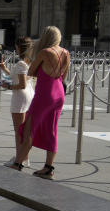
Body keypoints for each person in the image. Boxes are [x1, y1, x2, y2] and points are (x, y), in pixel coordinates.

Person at [8, 26, 70, 179]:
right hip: (59, 93)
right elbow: (64, 75)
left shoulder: (45, 52)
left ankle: (18, 163)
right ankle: (49, 168)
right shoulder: (66, 53)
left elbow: (30, 72)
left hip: (45, 93)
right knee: (52, 130)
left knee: (29, 128)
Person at [0, 37, 35, 167]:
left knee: (18, 131)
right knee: (24, 130)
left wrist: (7, 86)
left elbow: (21, 84)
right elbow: (18, 77)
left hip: (20, 97)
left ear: (19, 47)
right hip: (29, 96)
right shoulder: (29, 62)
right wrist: (4, 69)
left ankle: (20, 159)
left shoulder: (20, 64)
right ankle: (24, 157)